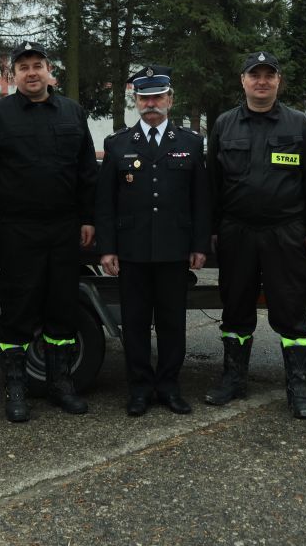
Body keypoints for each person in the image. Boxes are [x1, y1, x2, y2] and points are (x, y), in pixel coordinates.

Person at [0, 41, 100, 422]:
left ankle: (61, 384)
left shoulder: (72, 112)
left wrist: (87, 218)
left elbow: (85, 171)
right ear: (13, 75)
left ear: (50, 72)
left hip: (64, 228)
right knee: (18, 307)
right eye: (24, 67)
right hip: (18, 228)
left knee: (62, 306)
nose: (31, 72)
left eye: (38, 65)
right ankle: (17, 388)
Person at [205, 52, 306, 419]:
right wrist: (211, 230)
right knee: (236, 308)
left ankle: (298, 387)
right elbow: (212, 183)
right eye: (254, 75)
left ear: (279, 81)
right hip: (237, 234)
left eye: (268, 75)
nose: (261, 81)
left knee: (292, 311)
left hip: (284, 233)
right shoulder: (225, 125)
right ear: (242, 81)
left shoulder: (298, 126)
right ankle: (233, 379)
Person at [95, 67, 210, 417]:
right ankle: (140, 388)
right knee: (134, 323)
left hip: (175, 249)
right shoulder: (118, 144)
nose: (151, 104)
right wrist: (107, 248)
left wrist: (199, 244)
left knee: (173, 322)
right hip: (132, 251)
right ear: (135, 101)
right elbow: (105, 202)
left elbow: (201, 200)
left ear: (170, 100)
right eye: (144, 97)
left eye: (158, 96)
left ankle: (170, 387)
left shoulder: (190, 142)